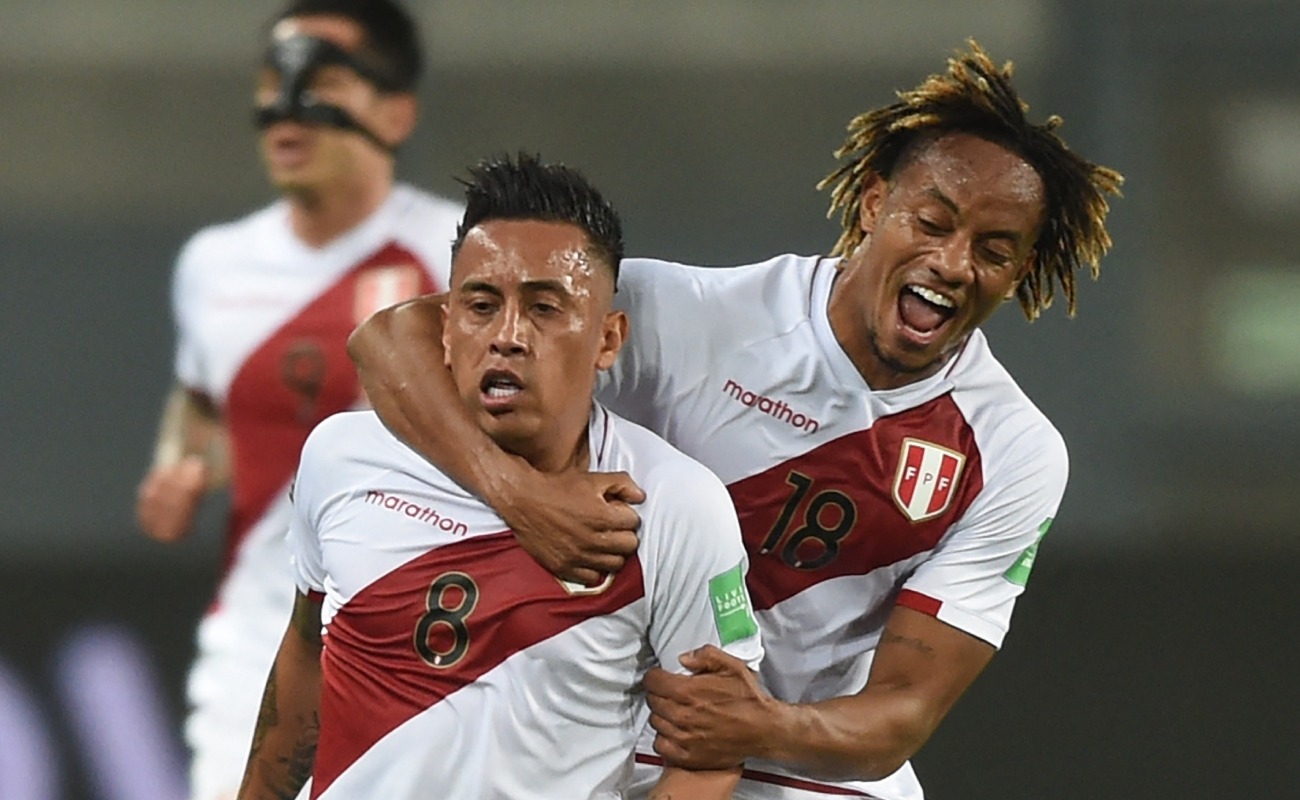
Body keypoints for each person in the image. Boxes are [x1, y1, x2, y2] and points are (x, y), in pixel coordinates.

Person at [347, 41, 1124, 800]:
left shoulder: (1013, 453)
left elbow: (904, 712)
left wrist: (766, 725)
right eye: (932, 223)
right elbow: (391, 337)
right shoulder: (687, 316)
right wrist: (520, 498)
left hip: (801, 763)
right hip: (618, 740)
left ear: (1019, 271)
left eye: (992, 249)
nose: (953, 264)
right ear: (874, 205)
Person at [236, 153, 762, 800]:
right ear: (447, 329)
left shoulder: (674, 505)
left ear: (608, 339)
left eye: (545, 308)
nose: (508, 336)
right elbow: (306, 655)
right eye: (481, 305)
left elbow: (708, 758)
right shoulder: (341, 456)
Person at [133, 2, 463, 798]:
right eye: (271, 81)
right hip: (259, 635)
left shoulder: (459, 253)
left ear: (395, 111)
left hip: (427, 639)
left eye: (323, 81)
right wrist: (180, 470)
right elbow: (203, 410)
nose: (286, 106)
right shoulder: (216, 265)